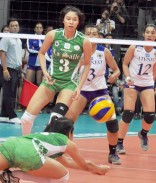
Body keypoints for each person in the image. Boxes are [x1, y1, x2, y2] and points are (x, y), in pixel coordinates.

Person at [21, 5, 92, 135]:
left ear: (79, 22)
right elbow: (41, 53)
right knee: (26, 119)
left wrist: (79, 87)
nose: (71, 22)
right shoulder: (53, 35)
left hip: (69, 84)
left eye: (74, 19)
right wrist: (45, 72)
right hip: (51, 80)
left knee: (55, 120)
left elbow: (87, 64)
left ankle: (47, 148)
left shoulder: (84, 41)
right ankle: (26, 144)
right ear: (63, 20)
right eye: (68, 18)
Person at [65, 25, 121, 165]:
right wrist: (79, 63)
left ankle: (113, 153)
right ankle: (70, 151)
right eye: (88, 33)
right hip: (81, 90)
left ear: (98, 36)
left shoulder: (104, 52)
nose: (91, 36)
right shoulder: (77, 51)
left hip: (100, 91)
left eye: (94, 33)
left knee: (112, 121)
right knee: (67, 122)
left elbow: (117, 70)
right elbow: (68, 72)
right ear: (83, 36)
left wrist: (114, 75)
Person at [116, 24, 156, 154]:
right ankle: (119, 143)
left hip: (147, 83)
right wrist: (127, 77)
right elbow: (125, 63)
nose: (150, 35)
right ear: (143, 34)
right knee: (128, 114)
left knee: (150, 115)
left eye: (153, 33)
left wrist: (153, 83)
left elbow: (155, 70)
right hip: (132, 82)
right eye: (148, 32)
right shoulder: (135, 47)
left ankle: (143, 134)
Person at [0, 18, 23, 124]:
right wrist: (5, 70)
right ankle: (12, 116)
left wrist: (21, 71)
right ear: (9, 27)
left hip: (16, 69)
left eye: (16, 25)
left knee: (11, 93)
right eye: (12, 25)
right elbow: (2, 54)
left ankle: (4, 116)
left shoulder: (19, 39)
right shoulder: (6, 38)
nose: (15, 27)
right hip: (8, 68)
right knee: (8, 94)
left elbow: (19, 57)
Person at [26, 22, 44, 86]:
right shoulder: (30, 37)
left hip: (41, 64)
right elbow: (29, 49)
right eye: (37, 27)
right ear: (34, 29)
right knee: (29, 83)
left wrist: (36, 49)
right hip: (32, 63)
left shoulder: (45, 38)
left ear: (42, 29)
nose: (39, 29)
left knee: (39, 83)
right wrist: (40, 51)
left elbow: (47, 50)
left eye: (40, 28)